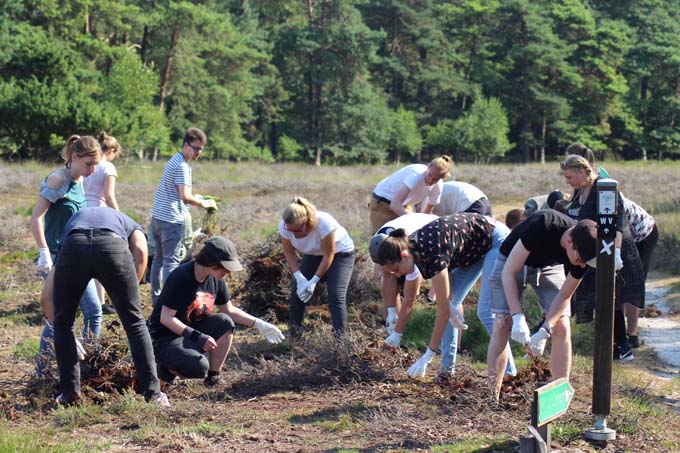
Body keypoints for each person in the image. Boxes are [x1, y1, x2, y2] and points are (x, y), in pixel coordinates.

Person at [43, 206, 169, 407]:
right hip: (112, 247)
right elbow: (141, 252)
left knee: (64, 322)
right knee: (135, 323)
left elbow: (46, 297)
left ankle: (70, 394)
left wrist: (60, 328)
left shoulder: (73, 226)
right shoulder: (130, 223)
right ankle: (153, 395)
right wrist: (129, 292)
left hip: (74, 248)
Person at [372, 213, 515, 381]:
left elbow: (443, 312)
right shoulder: (414, 251)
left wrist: (428, 354)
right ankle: (447, 372)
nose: (397, 275)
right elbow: (445, 305)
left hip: (494, 239)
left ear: (403, 257)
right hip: (473, 249)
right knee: (451, 304)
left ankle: (509, 374)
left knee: (485, 311)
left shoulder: (431, 254)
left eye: (396, 269)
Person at [486, 210, 597, 400]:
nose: (582, 264)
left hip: (549, 266)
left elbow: (564, 294)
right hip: (512, 262)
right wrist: (517, 316)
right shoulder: (543, 224)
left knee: (562, 326)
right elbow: (508, 273)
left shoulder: (583, 255)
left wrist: (546, 328)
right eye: (579, 259)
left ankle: (560, 396)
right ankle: (491, 395)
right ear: (570, 242)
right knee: (503, 324)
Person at [148, 237, 284, 386]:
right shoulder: (181, 277)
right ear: (210, 262)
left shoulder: (215, 278)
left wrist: (259, 324)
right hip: (165, 336)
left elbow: (229, 310)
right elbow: (166, 318)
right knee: (197, 368)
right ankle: (164, 369)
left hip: (190, 329)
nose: (227, 272)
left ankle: (214, 377)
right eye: (224, 267)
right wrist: (197, 337)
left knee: (225, 322)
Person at [566, 143, 658, 348]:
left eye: (569, 175)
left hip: (641, 231)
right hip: (620, 233)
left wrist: (615, 252)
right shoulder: (580, 188)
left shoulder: (603, 184)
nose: (567, 180)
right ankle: (620, 336)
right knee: (613, 285)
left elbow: (615, 222)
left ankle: (630, 336)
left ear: (581, 167)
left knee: (631, 282)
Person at [30, 135, 102, 376]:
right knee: (59, 316)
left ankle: (89, 365)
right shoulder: (58, 179)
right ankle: (40, 371)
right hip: (57, 257)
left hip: (79, 255)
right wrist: (43, 252)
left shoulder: (79, 180)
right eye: (88, 164)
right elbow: (36, 217)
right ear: (74, 157)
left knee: (94, 310)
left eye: (96, 165)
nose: (92, 170)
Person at [149, 127, 217, 304]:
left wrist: (199, 198)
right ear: (186, 145)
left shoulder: (175, 160)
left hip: (158, 217)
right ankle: (170, 301)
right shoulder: (182, 166)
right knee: (171, 262)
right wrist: (203, 204)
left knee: (158, 259)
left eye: (201, 149)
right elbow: (184, 196)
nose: (198, 152)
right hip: (170, 219)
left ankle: (157, 298)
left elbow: (179, 192)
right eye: (195, 148)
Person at [280, 197, 355, 337]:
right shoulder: (285, 226)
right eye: (290, 229)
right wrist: (300, 278)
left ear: (307, 221)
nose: (293, 233)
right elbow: (289, 252)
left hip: (340, 254)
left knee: (335, 296)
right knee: (297, 293)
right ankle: (294, 336)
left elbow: (328, 255)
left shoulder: (324, 223)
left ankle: (341, 341)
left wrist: (314, 281)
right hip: (313, 254)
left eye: (297, 229)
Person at [368, 213, 439, 335]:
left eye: (395, 269)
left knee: (412, 292)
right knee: (390, 287)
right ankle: (392, 328)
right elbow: (386, 276)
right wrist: (391, 312)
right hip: (403, 248)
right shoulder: (380, 242)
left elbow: (410, 299)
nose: (397, 274)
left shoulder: (410, 248)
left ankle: (401, 332)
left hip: (436, 236)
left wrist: (398, 333)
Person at [83, 132, 121, 314]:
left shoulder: (87, 163)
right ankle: (99, 301)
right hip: (100, 215)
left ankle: (89, 300)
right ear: (112, 150)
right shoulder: (108, 168)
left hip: (81, 213)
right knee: (100, 261)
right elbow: (108, 196)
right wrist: (120, 219)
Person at [369, 156, 453, 234]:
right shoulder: (415, 175)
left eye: (435, 179)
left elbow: (426, 213)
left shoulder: (438, 186)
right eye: (429, 175)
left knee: (408, 237)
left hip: (403, 205)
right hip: (383, 202)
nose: (430, 180)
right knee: (383, 238)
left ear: (443, 178)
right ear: (428, 167)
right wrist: (414, 220)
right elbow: (394, 205)